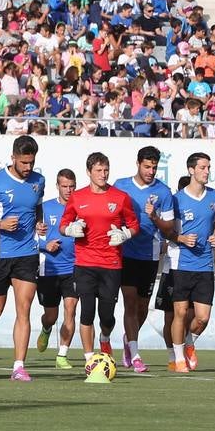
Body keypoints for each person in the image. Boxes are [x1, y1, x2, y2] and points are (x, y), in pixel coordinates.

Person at [0, 135, 47, 381]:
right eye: (23, 162)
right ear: (13, 157)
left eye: (31, 163)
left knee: (24, 310)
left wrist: (38, 224)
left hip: (27, 253)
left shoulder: (38, 181)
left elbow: (37, 206)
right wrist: (0, 224)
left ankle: (18, 366)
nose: (27, 168)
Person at [58, 153, 139, 362]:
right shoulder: (77, 197)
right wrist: (70, 230)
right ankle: (89, 359)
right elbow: (63, 225)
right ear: (89, 172)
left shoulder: (120, 197)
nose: (103, 175)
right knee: (86, 311)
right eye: (98, 171)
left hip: (111, 263)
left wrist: (125, 234)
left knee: (107, 316)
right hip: (84, 262)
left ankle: (105, 337)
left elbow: (134, 224)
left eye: (106, 170)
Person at [114, 146, 177, 372]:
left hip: (150, 256)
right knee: (130, 303)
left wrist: (154, 217)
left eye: (154, 167)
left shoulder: (164, 192)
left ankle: (128, 341)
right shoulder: (121, 186)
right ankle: (136, 352)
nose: (150, 171)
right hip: (126, 252)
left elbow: (170, 227)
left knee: (142, 307)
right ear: (138, 163)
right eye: (147, 166)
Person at [168, 153, 215, 374]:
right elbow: (168, 231)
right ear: (191, 170)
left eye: (208, 167)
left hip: (205, 264)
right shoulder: (176, 199)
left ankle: (189, 341)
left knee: (203, 317)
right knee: (180, 312)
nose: (206, 171)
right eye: (202, 167)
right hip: (181, 264)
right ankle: (179, 359)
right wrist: (180, 238)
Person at [36, 169, 80, 369]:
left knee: (70, 311)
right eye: (64, 186)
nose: (68, 190)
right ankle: (46, 328)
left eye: (71, 186)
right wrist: (46, 245)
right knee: (51, 316)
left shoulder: (81, 208)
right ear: (57, 186)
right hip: (49, 269)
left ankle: (62, 354)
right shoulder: (44, 209)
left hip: (74, 268)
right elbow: (30, 237)